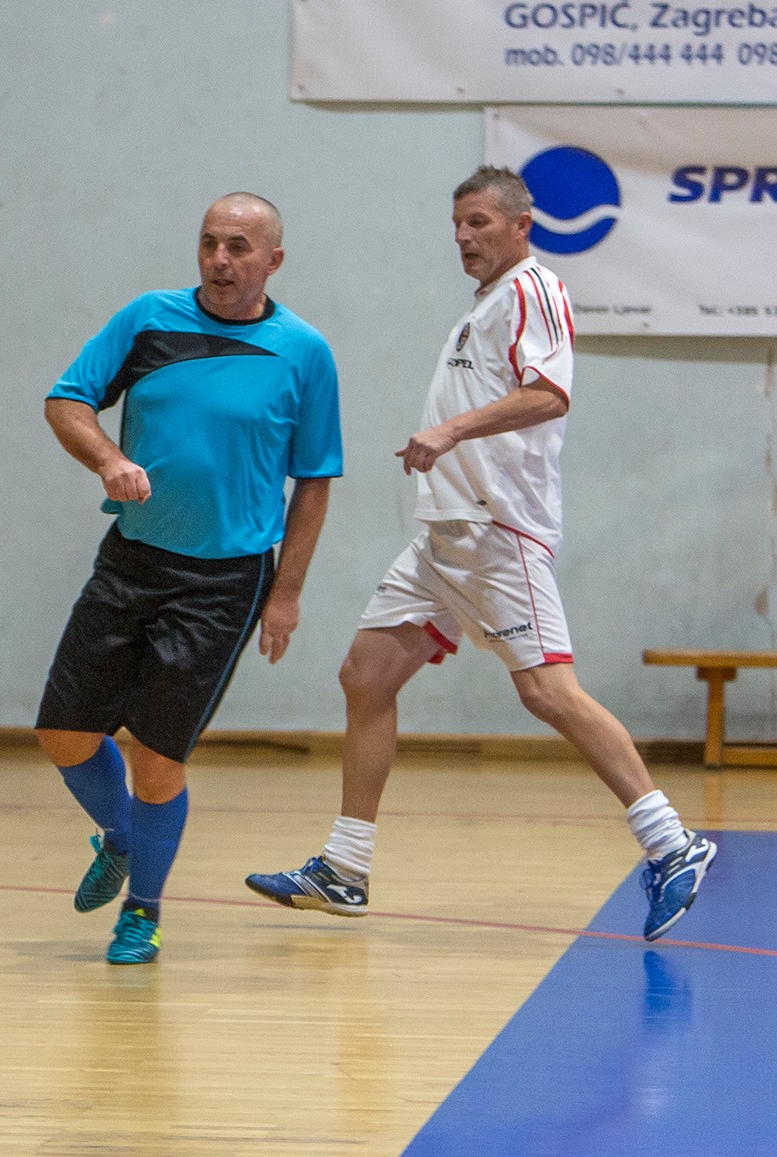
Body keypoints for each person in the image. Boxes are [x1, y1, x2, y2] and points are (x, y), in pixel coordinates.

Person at [246, 166, 715, 940]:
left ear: (521, 225)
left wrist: (450, 431)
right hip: (444, 536)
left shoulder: (534, 289)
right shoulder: (486, 303)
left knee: (548, 693)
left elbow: (549, 393)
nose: (463, 237)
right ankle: (345, 868)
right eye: (457, 225)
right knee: (365, 675)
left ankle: (673, 843)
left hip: (498, 531)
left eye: (479, 223)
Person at [37, 193, 343, 965]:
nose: (219, 259)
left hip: (225, 583)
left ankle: (142, 912)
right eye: (210, 243)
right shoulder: (148, 319)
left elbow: (314, 480)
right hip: (131, 559)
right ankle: (121, 837)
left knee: (157, 759)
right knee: (64, 735)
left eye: (239, 246)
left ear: (273, 259)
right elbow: (66, 400)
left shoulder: (303, 351)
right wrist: (108, 458)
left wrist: (287, 593)